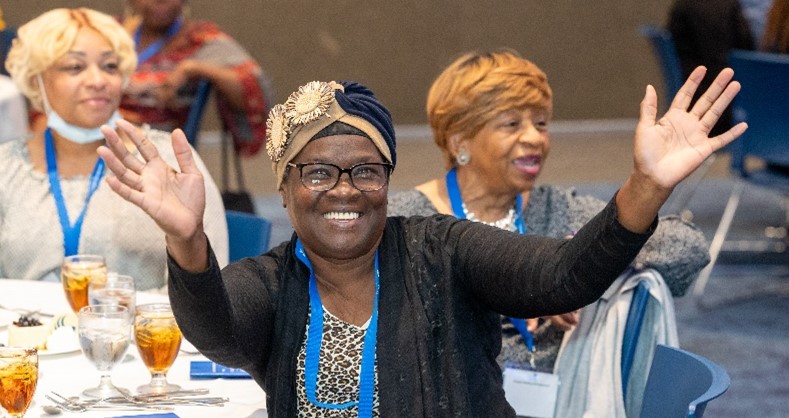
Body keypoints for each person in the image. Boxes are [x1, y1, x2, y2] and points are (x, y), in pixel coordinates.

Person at [97, 69, 744, 416]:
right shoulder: (270, 282)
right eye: (319, 171)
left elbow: (563, 277)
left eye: (365, 171)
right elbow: (216, 334)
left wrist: (642, 186)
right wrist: (185, 239)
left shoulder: (443, 249)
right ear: (286, 186)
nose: (344, 190)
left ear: (386, 181)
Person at [387, 50, 710, 416]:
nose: (534, 138)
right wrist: (521, 292)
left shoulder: (558, 210)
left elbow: (689, 251)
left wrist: (579, 262)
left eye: (541, 124)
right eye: (511, 124)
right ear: (460, 140)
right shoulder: (405, 221)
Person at [1, 8, 227, 290]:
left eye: (110, 66)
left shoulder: (169, 162)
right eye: (75, 67)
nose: (98, 81)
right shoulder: (6, 168)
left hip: (144, 331)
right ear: (37, 81)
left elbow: (211, 295)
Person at [119, 0, 271, 156]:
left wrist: (192, 68)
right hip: (104, 134)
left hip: (161, 145)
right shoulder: (111, 32)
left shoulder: (200, 39)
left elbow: (251, 86)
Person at [668, 0, 755, 137]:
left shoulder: (682, 5)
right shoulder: (724, 6)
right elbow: (746, 46)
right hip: (716, 104)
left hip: (694, 92)